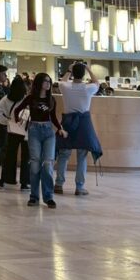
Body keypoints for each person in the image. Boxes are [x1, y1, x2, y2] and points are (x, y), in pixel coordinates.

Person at [14, 72, 64, 208]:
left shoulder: (51, 99)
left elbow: (53, 117)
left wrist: (60, 128)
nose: (48, 84)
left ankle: (48, 197)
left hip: (48, 132)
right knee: (35, 165)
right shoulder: (31, 98)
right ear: (39, 83)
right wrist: (17, 119)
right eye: (45, 81)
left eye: (49, 81)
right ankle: (34, 197)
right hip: (34, 131)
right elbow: (17, 109)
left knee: (48, 165)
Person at [55, 62, 101, 196]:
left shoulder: (65, 87)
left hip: (68, 122)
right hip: (84, 123)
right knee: (82, 156)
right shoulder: (88, 88)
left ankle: (58, 184)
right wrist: (88, 69)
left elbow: (62, 81)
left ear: (72, 73)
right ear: (84, 74)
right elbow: (97, 82)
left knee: (64, 154)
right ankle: (79, 187)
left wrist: (69, 70)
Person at [0, 76, 30, 192]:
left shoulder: (6, 99)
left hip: (12, 130)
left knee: (10, 156)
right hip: (25, 131)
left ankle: (7, 179)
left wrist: (6, 121)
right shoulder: (26, 99)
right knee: (26, 157)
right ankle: (24, 183)